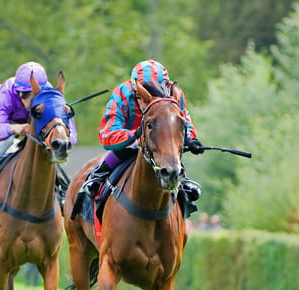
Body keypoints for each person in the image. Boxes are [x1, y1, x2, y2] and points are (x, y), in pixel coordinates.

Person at [0, 61, 78, 208]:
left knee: (46, 145)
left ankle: (62, 189)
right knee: (3, 143)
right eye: (28, 96)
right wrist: (14, 129)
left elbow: (71, 134)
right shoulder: (5, 96)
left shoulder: (50, 94)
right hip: (8, 117)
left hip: (33, 119)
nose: (31, 100)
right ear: (18, 92)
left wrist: (59, 140)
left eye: (36, 95)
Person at [80, 59, 205, 199]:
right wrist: (135, 134)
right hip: (129, 142)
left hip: (161, 143)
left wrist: (190, 139)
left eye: (156, 92)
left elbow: (184, 120)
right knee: (129, 148)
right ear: (135, 88)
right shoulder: (121, 93)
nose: (149, 100)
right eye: (143, 93)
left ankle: (183, 181)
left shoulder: (174, 94)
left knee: (171, 151)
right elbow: (107, 134)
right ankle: (98, 176)